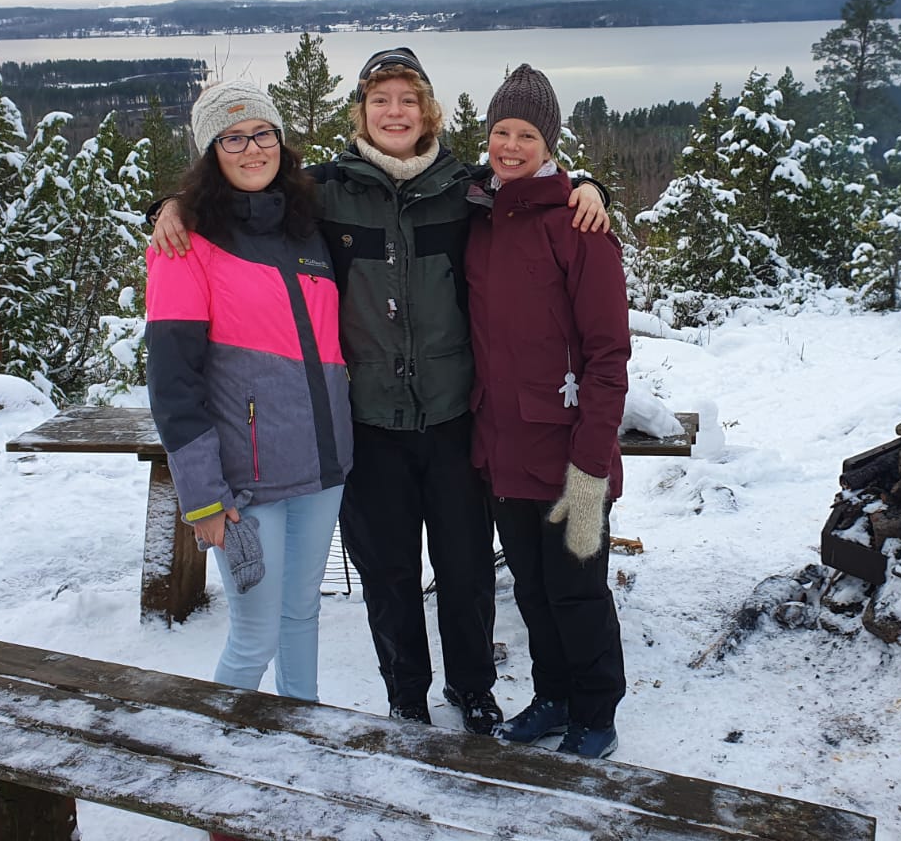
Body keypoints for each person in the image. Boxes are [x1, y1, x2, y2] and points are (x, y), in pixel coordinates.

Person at [151, 48, 608, 734]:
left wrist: (590, 184)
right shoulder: (327, 191)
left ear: (427, 109)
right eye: (379, 99)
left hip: (455, 417)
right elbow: (246, 191)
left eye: (407, 98)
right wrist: (174, 204)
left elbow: (532, 179)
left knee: (465, 571)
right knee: (388, 576)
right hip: (366, 424)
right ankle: (405, 697)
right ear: (360, 110)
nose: (395, 111)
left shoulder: (467, 189)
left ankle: (473, 689)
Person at [145, 80, 352, 708]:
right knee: (255, 634)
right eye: (232, 138)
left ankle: (304, 736)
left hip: (322, 467)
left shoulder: (307, 225)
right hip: (244, 483)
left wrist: (589, 188)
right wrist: (202, 496)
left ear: (282, 143)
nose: (251, 148)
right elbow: (172, 382)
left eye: (263, 133)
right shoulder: (187, 245)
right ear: (212, 152)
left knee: (301, 617)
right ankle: (212, 757)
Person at [466, 64, 631, 760]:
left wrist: (592, 463)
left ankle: (596, 712)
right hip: (504, 448)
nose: (510, 145)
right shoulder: (479, 215)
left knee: (577, 593)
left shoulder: (580, 224)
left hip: (572, 457)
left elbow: (608, 354)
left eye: (525, 134)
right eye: (500, 131)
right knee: (532, 591)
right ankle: (554, 696)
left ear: (549, 141)